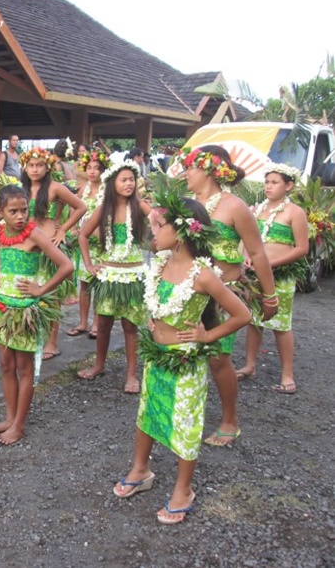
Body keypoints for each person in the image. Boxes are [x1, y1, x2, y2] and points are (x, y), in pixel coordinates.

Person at [113, 191, 250, 525]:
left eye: (158, 226)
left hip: (185, 361)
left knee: (185, 424)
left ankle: (183, 489)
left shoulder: (202, 273)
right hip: (157, 356)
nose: (152, 233)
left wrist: (207, 336)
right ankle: (140, 469)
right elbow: (159, 301)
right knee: (147, 415)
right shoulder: (160, 264)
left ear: (183, 232)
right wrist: (155, 317)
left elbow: (241, 314)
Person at [179, 145, 277, 446]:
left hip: (223, 297)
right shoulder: (184, 205)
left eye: (190, 167)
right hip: (188, 292)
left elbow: (258, 252)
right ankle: (182, 410)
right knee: (184, 352)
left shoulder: (235, 207)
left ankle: (229, 420)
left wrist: (269, 296)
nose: (186, 173)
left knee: (219, 360)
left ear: (209, 168)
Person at [0, 184, 72, 444]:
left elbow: (66, 266)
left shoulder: (35, 234)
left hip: (25, 311)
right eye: (13, 211)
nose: (20, 216)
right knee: (5, 365)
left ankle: (19, 425)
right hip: (2, 308)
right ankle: (9, 418)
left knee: (24, 366)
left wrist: (41, 288)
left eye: (24, 210)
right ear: (0, 212)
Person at [77, 160, 151, 393]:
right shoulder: (104, 209)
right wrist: (88, 264)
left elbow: (162, 222)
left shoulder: (140, 206)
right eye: (124, 180)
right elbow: (83, 234)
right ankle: (99, 365)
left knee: (130, 326)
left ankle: (131, 375)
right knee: (105, 323)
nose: (129, 184)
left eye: (132, 180)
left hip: (133, 274)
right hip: (108, 273)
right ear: (113, 183)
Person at [236, 163, 308, 393]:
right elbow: (249, 239)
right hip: (255, 274)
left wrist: (269, 264)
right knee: (254, 319)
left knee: (280, 323)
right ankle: (250, 365)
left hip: (280, 275)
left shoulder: (294, 212)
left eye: (274, 182)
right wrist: (246, 257)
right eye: (267, 182)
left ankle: (287, 373)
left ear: (289, 185)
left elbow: (302, 248)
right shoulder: (258, 210)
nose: (268, 187)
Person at [21, 147, 86, 360]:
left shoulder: (55, 188)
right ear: (25, 167)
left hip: (50, 246)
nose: (35, 169)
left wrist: (62, 229)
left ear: (47, 167)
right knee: (29, 290)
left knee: (52, 295)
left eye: (39, 165)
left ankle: (52, 342)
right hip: (28, 247)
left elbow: (80, 207)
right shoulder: (20, 189)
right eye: (31, 165)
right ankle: (30, 333)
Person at [68, 148, 110, 338]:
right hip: (85, 242)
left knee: (99, 284)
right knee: (84, 284)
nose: (92, 171)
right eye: (90, 168)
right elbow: (73, 207)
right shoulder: (83, 189)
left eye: (97, 168)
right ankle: (83, 322)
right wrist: (74, 227)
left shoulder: (108, 190)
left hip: (101, 243)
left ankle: (96, 324)